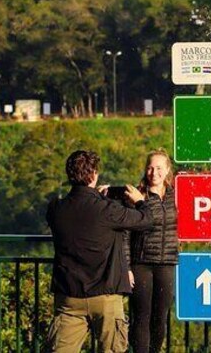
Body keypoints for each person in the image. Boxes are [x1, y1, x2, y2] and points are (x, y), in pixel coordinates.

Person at [46, 150, 155, 353]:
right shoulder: (107, 210)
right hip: (106, 296)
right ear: (94, 174)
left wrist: (98, 197)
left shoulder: (56, 209)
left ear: (70, 175)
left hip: (69, 297)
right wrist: (139, 200)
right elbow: (147, 220)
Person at [128, 149, 179, 353]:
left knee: (160, 318)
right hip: (141, 263)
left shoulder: (176, 196)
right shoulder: (135, 195)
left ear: (167, 170)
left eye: (159, 168)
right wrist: (126, 266)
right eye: (150, 167)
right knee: (141, 317)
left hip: (166, 262)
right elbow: (125, 234)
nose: (154, 172)